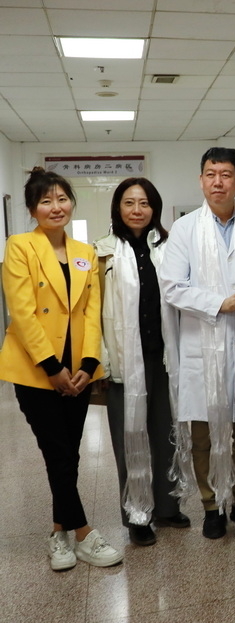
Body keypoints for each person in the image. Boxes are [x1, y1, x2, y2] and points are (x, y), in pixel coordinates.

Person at [0, 167, 123, 569]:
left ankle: (59, 532)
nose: (56, 207)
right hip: (36, 370)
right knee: (56, 450)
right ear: (32, 209)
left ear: (71, 202)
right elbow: (22, 312)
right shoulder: (20, 246)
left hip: (78, 372)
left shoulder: (85, 252)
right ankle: (84, 533)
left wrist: (88, 363)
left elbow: (90, 311)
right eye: (46, 201)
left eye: (62, 199)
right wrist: (52, 367)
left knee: (68, 453)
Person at [159, 147, 235, 539]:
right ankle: (211, 506)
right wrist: (219, 303)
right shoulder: (185, 229)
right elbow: (172, 286)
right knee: (203, 434)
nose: (218, 182)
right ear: (201, 180)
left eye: (226, 175)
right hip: (201, 344)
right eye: (211, 174)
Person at [94, 178, 190, 547]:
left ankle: (167, 506)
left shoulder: (167, 248)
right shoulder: (102, 253)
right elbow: (93, 313)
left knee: (166, 435)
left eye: (145, 203)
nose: (137, 210)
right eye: (129, 202)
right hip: (123, 360)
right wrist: (101, 362)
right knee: (129, 437)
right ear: (118, 207)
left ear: (155, 208)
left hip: (163, 358)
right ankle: (137, 514)